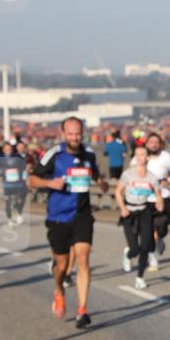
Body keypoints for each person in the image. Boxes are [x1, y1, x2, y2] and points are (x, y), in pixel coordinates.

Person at [29, 116, 109, 329]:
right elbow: (31, 180)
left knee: (83, 258)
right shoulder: (54, 155)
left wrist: (101, 183)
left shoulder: (89, 154)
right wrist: (49, 182)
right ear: (63, 134)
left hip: (82, 215)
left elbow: (94, 175)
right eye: (70, 134)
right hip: (58, 216)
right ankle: (59, 290)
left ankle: (82, 310)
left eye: (78, 133)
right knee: (62, 266)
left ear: (82, 133)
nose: (75, 137)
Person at [116, 147, 163, 289]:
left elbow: (158, 194)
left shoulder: (153, 178)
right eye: (137, 154)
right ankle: (128, 254)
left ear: (147, 157)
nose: (140, 157)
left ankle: (140, 277)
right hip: (129, 212)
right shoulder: (128, 174)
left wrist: (160, 204)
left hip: (145, 211)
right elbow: (118, 192)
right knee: (135, 249)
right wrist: (123, 208)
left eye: (143, 154)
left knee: (146, 246)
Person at [144, 132, 170, 268]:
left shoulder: (167, 157)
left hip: (163, 195)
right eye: (151, 142)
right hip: (146, 197)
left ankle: (159, 237)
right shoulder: (141, 157)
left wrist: (169, 180)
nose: (153, 144)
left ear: (160, 144)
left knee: (163, 229)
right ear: (146, 144)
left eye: (156, 142)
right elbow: (131, 173)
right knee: (147, 229)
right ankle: (151, 256)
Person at [0, 142, 29, 227]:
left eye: (9, 149)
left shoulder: (17, 157)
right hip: (7, 185)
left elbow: (24, 168)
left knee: (19, 200)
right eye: (6, 149)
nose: (8, 150)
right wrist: (1, 171)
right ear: (3, 150)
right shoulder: (0, 159)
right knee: (8, 202)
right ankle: (10, 219)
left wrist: (24, 178)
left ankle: (18, 215)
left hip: (18, 183)